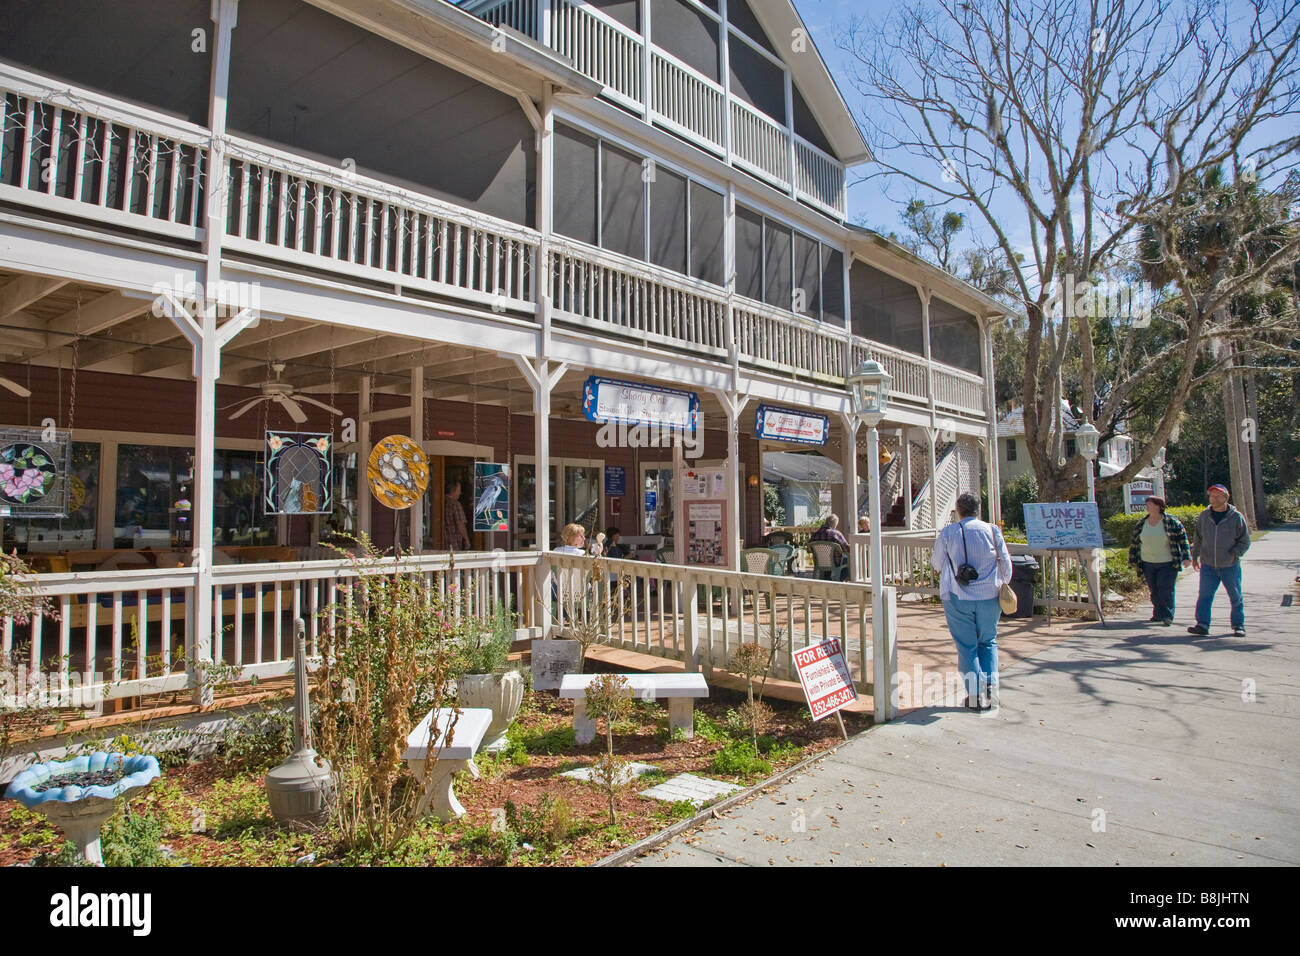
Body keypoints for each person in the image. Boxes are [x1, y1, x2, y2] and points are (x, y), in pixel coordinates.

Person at [931, 492, 1012, 713]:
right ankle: (991, 689)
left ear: (958, 509)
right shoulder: (993, 531)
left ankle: (976, 694)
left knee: (967, 647)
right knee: (988, 641)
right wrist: (1001, 582)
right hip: (990, 597)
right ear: (978, 509)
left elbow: (937, 563)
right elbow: (1006, 563)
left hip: (959, 596)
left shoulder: (949, 532)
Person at [1189, 484, 1251, 636]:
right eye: (1212, 495)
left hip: (1229, 565)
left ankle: (1238, 625)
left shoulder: (1236, 517)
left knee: (1235, 596)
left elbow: (1245, 541)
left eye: (1218, 495)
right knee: (1204, 595)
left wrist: (1234, 553)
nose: (1214, 498)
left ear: (1226, 497)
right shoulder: (1204, 516)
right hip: (1208, 565)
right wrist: (1195, 556)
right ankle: (1202, 625)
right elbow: (1198, 538)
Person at [1127, 496, 1191, 626]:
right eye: (1147, 504)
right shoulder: (1141, 523)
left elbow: (1182, 540)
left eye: (1150, 504)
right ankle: (1157, 614)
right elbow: (1135, 543)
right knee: (1154, 590)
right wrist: (1133, 560)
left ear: (1158, 506)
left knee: (1165, 589)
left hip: (1167, 562)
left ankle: (1167, 615)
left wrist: (1186, 557)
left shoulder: (1171, 522)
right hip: (1147, 562)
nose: (1147, 506)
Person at [810, 513, 850, 580]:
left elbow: (809, 549)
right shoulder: (835, 534)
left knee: (829, 560)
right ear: (834, 524)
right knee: (847, 559)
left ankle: (826, 578)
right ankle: (839, 579)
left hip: (819, 562)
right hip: (835, 562)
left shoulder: (815, 534)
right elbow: (847, 549)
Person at [443, 480, 470, 552]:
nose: (460, 493)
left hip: (443, 541)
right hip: (453, 541)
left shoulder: (441, 502)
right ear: (452, 491)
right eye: (459, 491)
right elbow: (460, 524)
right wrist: (466, 539)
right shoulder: (455, 504)